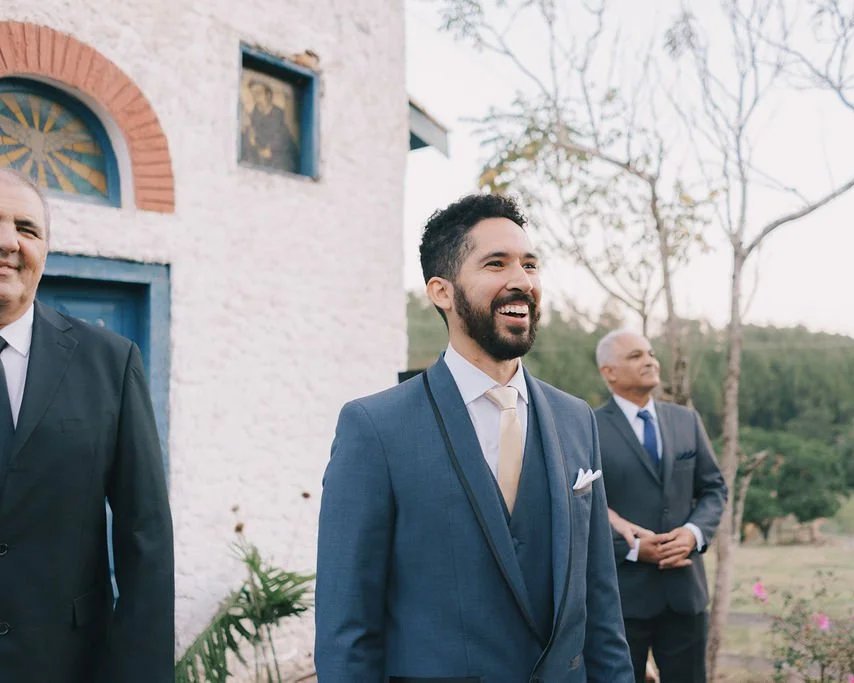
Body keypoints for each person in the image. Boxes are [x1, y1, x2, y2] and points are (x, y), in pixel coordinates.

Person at [315, 193, 634, 682]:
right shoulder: (374, 428)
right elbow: (347, 631)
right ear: (442, 292)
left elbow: (601, 606)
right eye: (496, 264)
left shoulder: (576, 419)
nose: (522, 281)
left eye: (530, 264)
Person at [0, 169, 174, 682]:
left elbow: (146, 534)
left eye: (27, 229)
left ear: (45, 249)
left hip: (67, 664)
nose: (8, 242)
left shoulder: (110, 362)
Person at [594, 330, 727, 683]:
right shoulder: (587, 426)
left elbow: (713, 488)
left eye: (651, 353)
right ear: (609, 372)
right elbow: (581, 504)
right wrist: (634, 547)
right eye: (636, 356)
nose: (651, 361)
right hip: (621, 598)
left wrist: (693, 533)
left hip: (685, 592)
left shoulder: (686, 420)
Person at [241, 80, 299, 172]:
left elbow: (282, 146)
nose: (255, 98)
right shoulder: (253, 119)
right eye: (253, 94)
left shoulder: (281, 118)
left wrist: (261, 147)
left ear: (268, 95)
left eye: (258, 93)